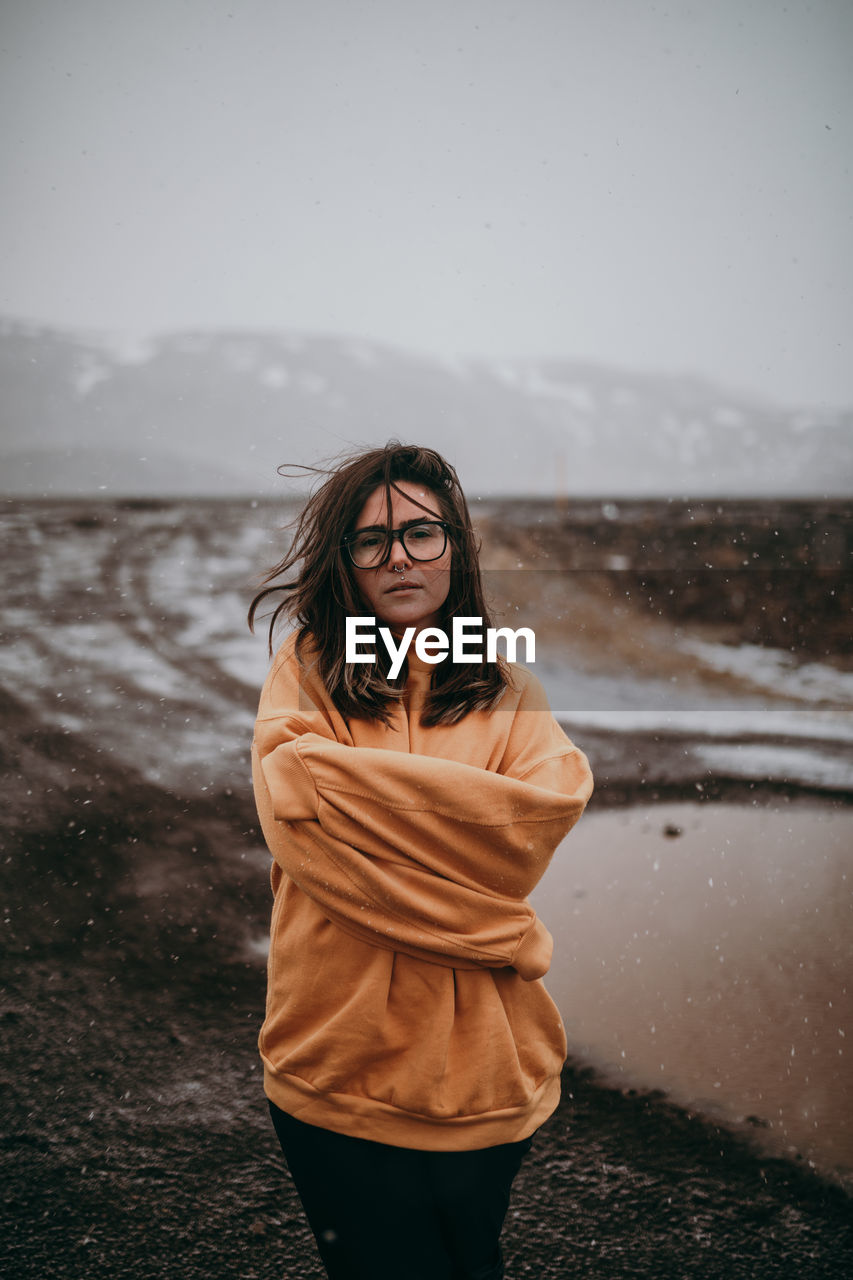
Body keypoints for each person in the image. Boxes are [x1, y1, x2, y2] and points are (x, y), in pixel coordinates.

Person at [248, 443, 593, 1280]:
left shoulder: (509, 687)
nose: (398, 555)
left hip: (486, 1071)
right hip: (336, 1061)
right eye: (371, 541)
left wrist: (369, 802)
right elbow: (299, 808)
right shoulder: (307, 672)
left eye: (421, 533)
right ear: (347, 564)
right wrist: (486, 902)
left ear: (455, 547)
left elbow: (534, 825)